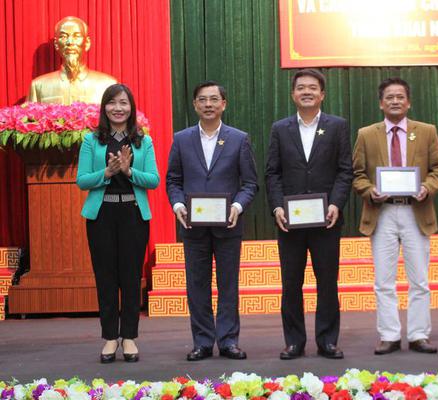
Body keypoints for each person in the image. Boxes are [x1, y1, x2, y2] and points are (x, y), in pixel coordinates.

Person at [352, 77, 438, 355]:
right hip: (381, 212)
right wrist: (369, 190)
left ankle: (419, 335)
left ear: (409, 102)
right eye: (389, 97)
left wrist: (427, 187)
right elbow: (356, 174)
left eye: (400, 97)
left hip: (415, 211)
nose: (395, 101)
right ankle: (389, 335)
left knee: (419, 279)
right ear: (381, 103)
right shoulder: (366, 134)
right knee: (383, 280)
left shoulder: (426, 131)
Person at [166, 81, 258, 361]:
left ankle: (228, 341)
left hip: (228, 225)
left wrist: (238, 206)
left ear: (223, 104)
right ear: (195, 104)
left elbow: (250, 183)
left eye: (214, 99)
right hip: (193, 226)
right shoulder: (181, 139)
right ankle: (203, 342)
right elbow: (173, 180)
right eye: (203, 99)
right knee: (197, 285)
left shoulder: (238, 139)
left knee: (228, 284)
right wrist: (178, 205)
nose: (208, 104)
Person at [265, 69, 353, 360]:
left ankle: (327, 341)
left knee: (327, 282)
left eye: (312, 88)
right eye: (301, 87)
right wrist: (277, 207)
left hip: (326, 220)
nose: (306, 92)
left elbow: (345, 170)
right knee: (291, 283)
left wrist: (336, 204)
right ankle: (294, 342)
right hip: (289, 222)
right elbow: (272, 173)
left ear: (322, 94)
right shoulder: (280, 128)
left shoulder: (337, 126)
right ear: (293, 94)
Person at [77, 84, 159, 363]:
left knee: (131, 277)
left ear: (131, 108)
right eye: (112, 103)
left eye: (123, 103)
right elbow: (82, 180)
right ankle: (111, 337)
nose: (118, 108)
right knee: (106, 277)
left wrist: (128, 170)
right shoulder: (91, 140)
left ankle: (130, 337)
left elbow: (153, 180)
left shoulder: (143, 141)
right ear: (104, 108)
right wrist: (107, 172)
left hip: (133, 215)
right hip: (102, 216)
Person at [28, 16, 117, 104]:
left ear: (87, 43)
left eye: (76, 36)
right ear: (56, 44)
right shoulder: (38, 86)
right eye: (63, 37)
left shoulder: (108, 84)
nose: (70, 42)